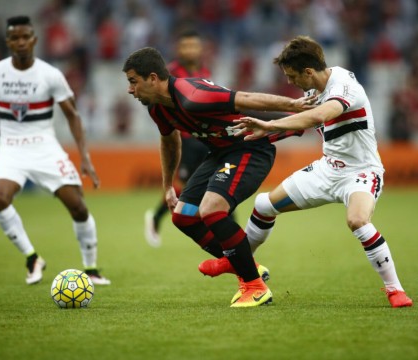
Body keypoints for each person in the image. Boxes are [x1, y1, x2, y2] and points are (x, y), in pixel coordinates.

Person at [201, 36, 413, 308]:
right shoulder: (314, 91)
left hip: (361, 172)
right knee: (264, 205)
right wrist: (258, 135)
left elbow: (318, 117)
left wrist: (269, 126)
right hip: (327, 169)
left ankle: (395, 290)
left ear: (309, 72)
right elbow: (300, 124)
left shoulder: (344, 86)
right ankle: (237, 263)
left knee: (358, 220)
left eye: (292, 76)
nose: (290, 82)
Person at [122, 46, 313, 307]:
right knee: (184, 216)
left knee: (211, 209)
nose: (130, 90)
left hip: (250, 148)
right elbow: (169, 141)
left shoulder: (194, 96)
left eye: (133, 82)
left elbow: (244, 98)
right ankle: (245, 264)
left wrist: (293, 105)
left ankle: (255, 287)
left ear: (153, 78)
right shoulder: (158, 109)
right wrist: (168, 186)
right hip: (220, 153)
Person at [0, 16, 110, 286]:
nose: (21, 42)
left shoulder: (50, 74)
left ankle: (91, 268)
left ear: (34, 40)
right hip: (10, 148)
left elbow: (73, 116)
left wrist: (85, 157)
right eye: (15, 37)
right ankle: (32, 258)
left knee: (78, 207)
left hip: (45, 147)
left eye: (26, 37)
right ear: (8, 41)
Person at [144, 29, 213, 247]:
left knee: (213, 183)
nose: (190, 50)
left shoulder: (204, 71)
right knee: (190, 186)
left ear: (200, 49)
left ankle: (157, 218)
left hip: (204, 137)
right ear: (178, 49)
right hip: (183, 139)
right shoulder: (169, 73)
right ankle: (155, 218)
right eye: (185, 46)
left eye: (194, 46)